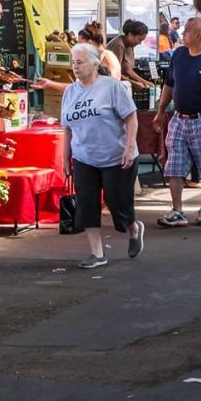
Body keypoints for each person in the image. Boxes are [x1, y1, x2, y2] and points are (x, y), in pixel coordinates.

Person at [60, 42, 143, 269]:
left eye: (81, 62)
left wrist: (128, 147)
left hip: (116, 155)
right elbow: (67, 128)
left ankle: (133, 228)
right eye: (73, 62)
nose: (75, 67)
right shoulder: (70, 92)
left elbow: (131, 118)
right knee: (87, 205)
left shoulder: (111, 87)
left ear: (95, 63)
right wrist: (65, 157)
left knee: (118, 204)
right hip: (84, 157)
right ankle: (97, 254)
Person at [153, 17, 201, 228]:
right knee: (174, 166)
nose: (183, 33)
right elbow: (169, 85)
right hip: (179, 118)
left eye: (187, 30)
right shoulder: (178, 55)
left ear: (199, 35)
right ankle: (177, 211)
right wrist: (161, 112)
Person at [106, 20, 154, 90]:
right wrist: (133, 83)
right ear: (130, 34)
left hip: (123, 85)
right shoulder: (119, 46)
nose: (140, 43)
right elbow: (113, 73)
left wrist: (144, 82)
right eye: (139, 40)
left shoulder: (129, 45)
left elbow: (128, 70)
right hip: (113, 86)